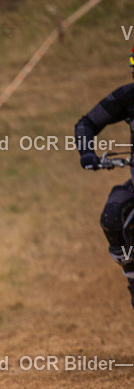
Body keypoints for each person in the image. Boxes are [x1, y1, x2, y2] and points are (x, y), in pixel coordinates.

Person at [75, 46, 134, 307]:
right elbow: (86, 123)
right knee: (111, 214)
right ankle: (131, 272)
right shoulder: (128, 96)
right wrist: (87, 153)